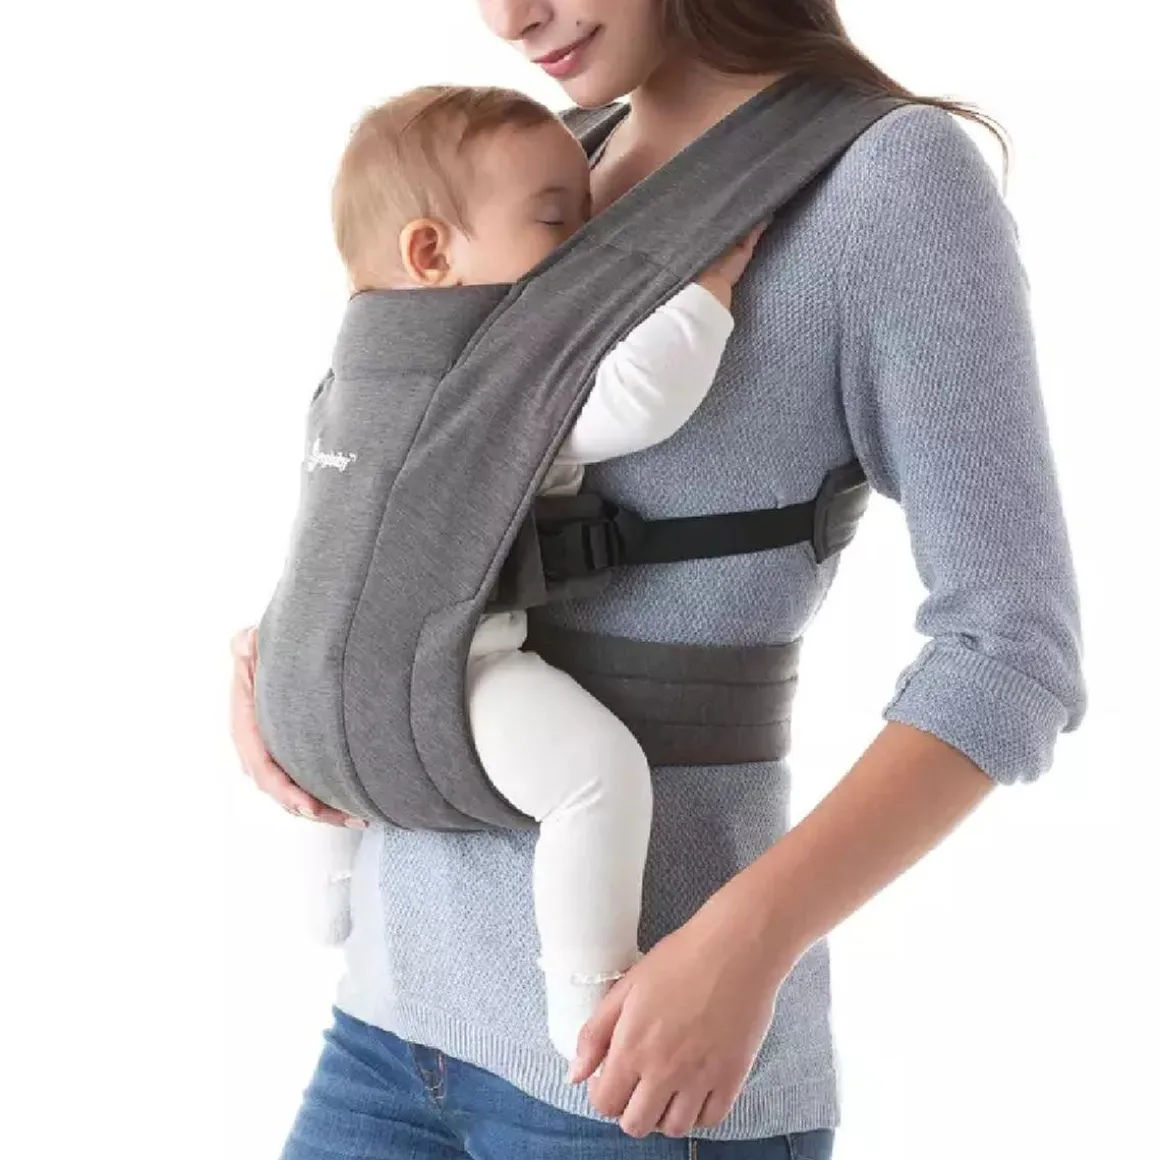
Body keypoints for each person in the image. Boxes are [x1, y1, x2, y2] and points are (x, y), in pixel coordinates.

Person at [228, 2, 1086, 1155]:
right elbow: (407, 481)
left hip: (636, 1065)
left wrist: (748, 942)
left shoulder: (882, 180)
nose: (507, 16)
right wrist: (296, 655)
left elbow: (1010, 650)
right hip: (386, 1022)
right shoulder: (552, 163)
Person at [263, 82, 762, 1061]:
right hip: (441, 675)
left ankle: (329, 893)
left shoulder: (353, 370)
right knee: (596, 778)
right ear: (431, 253)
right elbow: (636, 400)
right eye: (555, 220)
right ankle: (586, 996)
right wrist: (706, 279)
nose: (587, 242)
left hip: (296, 678)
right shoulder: (484, 374)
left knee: (344, 730)